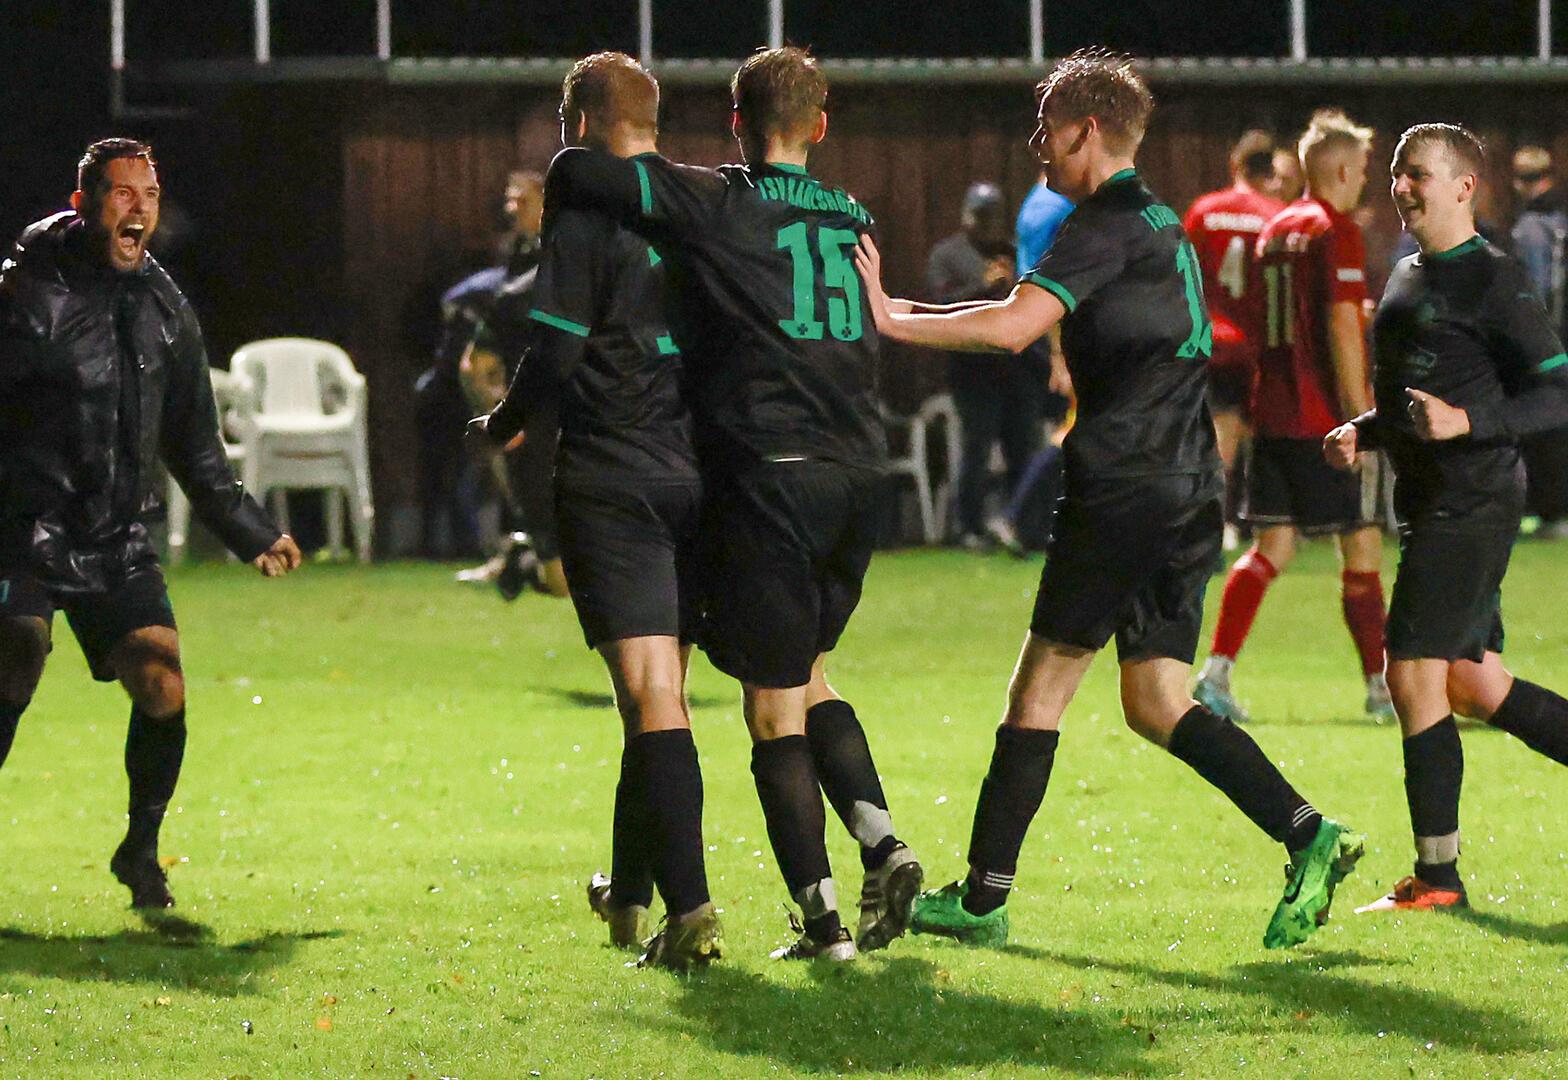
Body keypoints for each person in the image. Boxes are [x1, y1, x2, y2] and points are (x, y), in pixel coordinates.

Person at [857, 48, 1361, 950]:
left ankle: (981, 901)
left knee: (1038, 692)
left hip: (1124, 486)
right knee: (1157, 700)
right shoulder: (1161, 221)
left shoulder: (1100, 225)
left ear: (1087, 130)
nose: (1034, 145)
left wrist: (894, 317)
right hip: (1187, 487)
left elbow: (1015, 327)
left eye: (1046, 128)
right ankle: (1309, 834)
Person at [548, 46, 921, 963]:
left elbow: (608, 178)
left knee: (766, 708)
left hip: (771, 478)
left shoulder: (723, 201)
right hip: (861, 474)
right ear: (822, 126)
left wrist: (569, 158)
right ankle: (878, 844)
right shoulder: (855, 215)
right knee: (808, 676)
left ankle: (827, 921)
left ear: (734, 124)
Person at [0, 139, 302, 911]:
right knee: (19, 661)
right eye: (121, 193)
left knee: (162, 682)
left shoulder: (166, 310)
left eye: (149, 195)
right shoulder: (27, 295)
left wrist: (251, 529)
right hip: (24, 525)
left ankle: (140, 850)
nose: (137, 208)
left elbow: (195, 443)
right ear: (83, 201)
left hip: (116, 535)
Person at [472, 52, 719, 969]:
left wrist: (499, 424)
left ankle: (690, 909)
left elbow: (558, 353)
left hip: (612, 475)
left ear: (576, 118)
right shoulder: (699, 209)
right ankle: (630, 896)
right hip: (690, 473)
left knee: (652, 698)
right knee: (653, 698)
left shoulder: (581, 213)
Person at [1324, 124, 1568, 913]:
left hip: (1475, 497)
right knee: (1470, 681)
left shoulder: (1493, 279)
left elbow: (1555, 391)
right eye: (1396, 173)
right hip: (1428, 500)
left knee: (1412, 671)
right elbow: (1414, 394)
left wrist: (1469, 422)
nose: (1402, 186)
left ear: (1465, 186)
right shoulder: (1404, 276)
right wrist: (1366, 429)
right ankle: (1436, 876)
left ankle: (1438, 879)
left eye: (1418, 173)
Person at [1195, 111, 1391, 725]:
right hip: (1325, 422)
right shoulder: (1336, 231)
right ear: (1338, 168)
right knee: (1361, 548)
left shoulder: (1275, 228)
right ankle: (1382, 689)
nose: (1365, 180)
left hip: (1271, 411)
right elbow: (1340, 324)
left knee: (1269, 547)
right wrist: (1363, 415)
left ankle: (1216, 673)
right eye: (1361, 169)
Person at [1183, 130, 1291, 546]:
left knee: (1216, 439)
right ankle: (1231, 523)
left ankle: (1216, 522)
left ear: (1236, 165)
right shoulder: (1275, 217)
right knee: (1244, 437)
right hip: (1256, 346)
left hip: (1210, 339)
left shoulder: (1203, 211)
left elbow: (1184, 276)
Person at [929, 183, 1046, 548]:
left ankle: (1022, 525)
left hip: (1016, 367)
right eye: (980, 215)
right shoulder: (948, 255)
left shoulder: (1012, 252)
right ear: (967, 215)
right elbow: (943, 304)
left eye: (991, 215)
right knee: (976, 449)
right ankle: (970, 528)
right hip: (973, 370)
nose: (986, 223)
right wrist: (983, 285)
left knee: (1023, 448)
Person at [1510, 144, 1568, 537]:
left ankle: (1546, 509)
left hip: (1548, 339)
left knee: (1542, 423)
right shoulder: (1561, 220)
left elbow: (1536, 289)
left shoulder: (1530, 227)